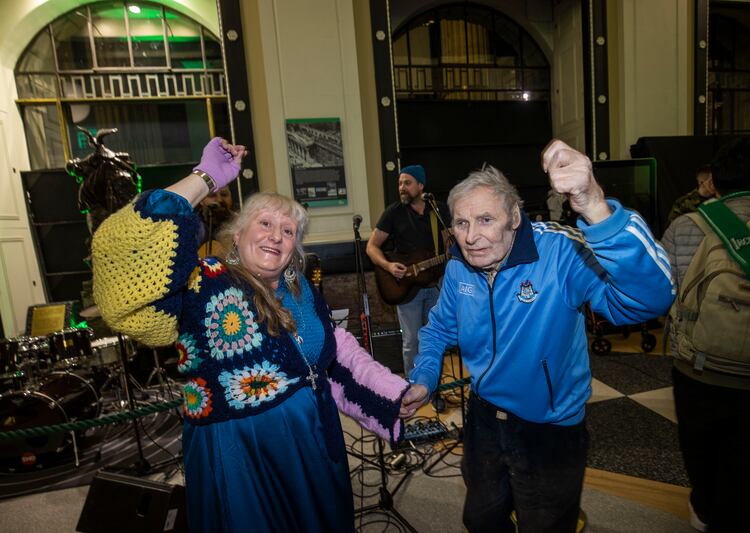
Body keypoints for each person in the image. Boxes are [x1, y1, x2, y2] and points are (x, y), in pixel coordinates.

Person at [91, 137, 410, 532]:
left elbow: (336, 355)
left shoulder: (303, 292)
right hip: (240, 457)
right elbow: (125, 258)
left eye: (288, 230)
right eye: (264, 223)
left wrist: (396, 392)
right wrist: (204, 179)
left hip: (313, 445)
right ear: (237, 236)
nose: (276, 235)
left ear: (295, 249)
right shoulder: (202, 284)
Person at [401, 140, 675, 532]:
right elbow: (439, 327)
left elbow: (650, 299)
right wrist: (425, 378)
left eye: (485, 220)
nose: (471, 237)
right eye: (461, 223)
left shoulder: (560, 252)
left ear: (514, 216)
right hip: (482, 418)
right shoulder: (460, 266)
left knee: (545, 524)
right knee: (481, 517)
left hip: (549, 427)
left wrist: (594, 204)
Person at [662, 138, 750, 533]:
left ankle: (705, 511)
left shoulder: (684, 229)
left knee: (702, 460)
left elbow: (661, 297)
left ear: (713, 185)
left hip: (698, 376)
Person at [366, 164, 451, 410]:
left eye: (407, 183)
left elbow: (449, 245)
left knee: (435, 339)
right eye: (400, 183)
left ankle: (433, 388)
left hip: (435, 285)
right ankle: (410, 389)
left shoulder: (438, 210)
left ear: (421, 186)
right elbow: (372, 247)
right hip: (406, 288)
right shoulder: (393, 213)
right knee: (411, 341)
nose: (402, 187)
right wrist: (389, 266)